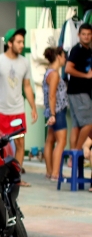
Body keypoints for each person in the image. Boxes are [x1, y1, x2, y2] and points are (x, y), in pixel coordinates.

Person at [0, 28, 38, 183]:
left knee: (20, 143)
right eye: (19, 42)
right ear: (10, 43)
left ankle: (16, 178)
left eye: (23, 42)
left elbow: (27, 86)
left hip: (18, 110)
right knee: (1, 146)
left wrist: (33, 107)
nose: (22, 45)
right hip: (1, 110)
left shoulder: (24, 62)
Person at [43, 47, 69, 182]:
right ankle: (55, 173)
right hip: (57, 111)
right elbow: (52, 95)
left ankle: (49, 171)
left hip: (52, 110)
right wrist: (53, 114)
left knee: (50, 140)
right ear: (58, 56)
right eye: (64, 56)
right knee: (61, 141)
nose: (65, 59)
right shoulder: (54, 74)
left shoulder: (48, 72)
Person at [65, 23, 92, 152]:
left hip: (80, 92)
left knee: (76, 126)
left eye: (88, 34)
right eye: (83, 34)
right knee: (89, 123)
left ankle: (72, 158)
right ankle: (77, 151)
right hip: (78, 91)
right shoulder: (77, 50)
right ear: (78, 35)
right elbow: (68, 68)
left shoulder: (88, 50)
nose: (86, 37)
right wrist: (86, 76)